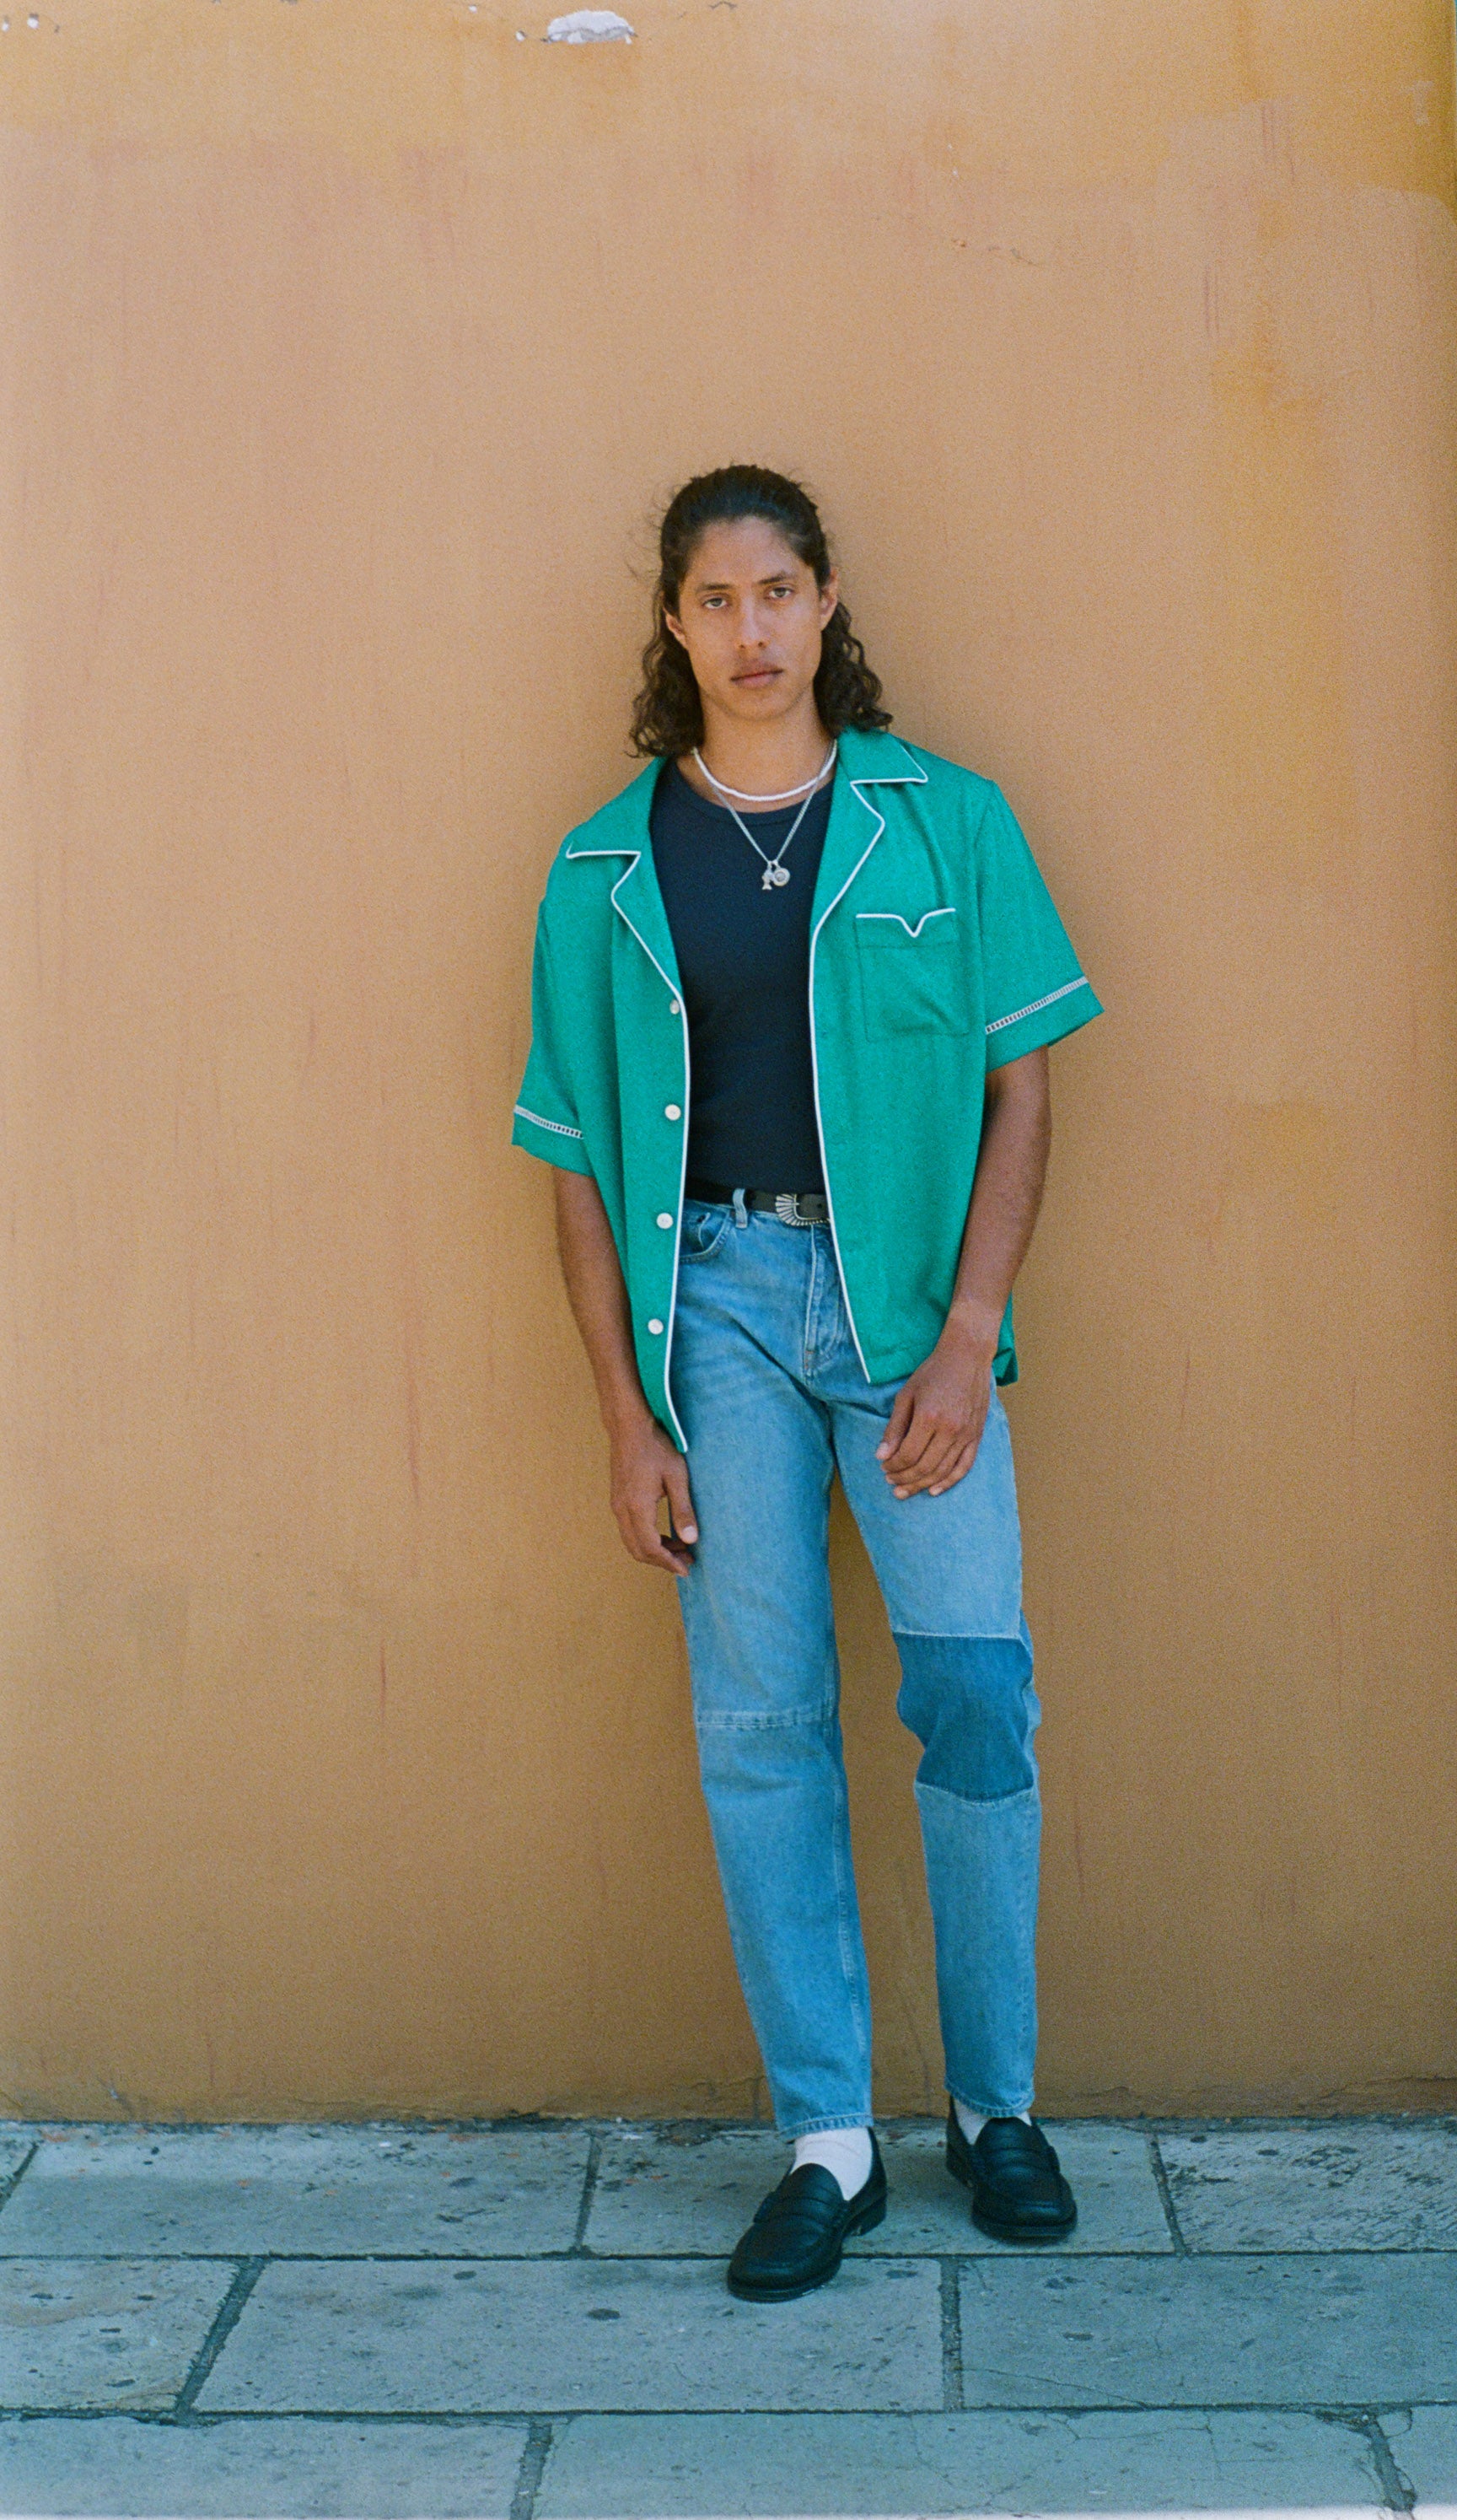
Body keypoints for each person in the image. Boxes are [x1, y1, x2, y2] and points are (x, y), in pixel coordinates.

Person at [513, 466, 1102, 2302]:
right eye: (715, 599)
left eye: (779, 593)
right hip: (722, 1314)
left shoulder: (947, 824)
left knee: (975, 1691)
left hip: (909, 1322)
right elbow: (578, 1168)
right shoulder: (607, 866)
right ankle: (826, 2140)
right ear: (673, 622)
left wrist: (962, 1340)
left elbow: (1023, 1092)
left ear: (828, 603)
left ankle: (993, 2111)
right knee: (760, 1722)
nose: (750, 632)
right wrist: (627, 1416)